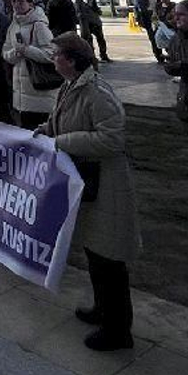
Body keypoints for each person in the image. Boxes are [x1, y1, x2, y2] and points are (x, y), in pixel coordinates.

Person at [38, 32, 138, 351]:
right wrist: (45, 131)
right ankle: (102, 309)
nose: (53, 59)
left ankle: (118, 328)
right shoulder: (70, 87)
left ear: (71, 59)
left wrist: (60, 142)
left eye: (57, 54)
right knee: (95, 251)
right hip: (86, 180)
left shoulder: (96, 92)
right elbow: (62, 122)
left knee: (109, 257)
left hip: (106, 183)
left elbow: (112, 139)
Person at [3, 0, 58, 130]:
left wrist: (27, 50)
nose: (17, 5)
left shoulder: (38, 25)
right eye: (13, 1)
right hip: (21, 91)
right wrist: (15, 54)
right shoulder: (13, 25)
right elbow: (6, 50)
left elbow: (51, 53)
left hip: (39, 90)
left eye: (21, 1)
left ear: (30, 3)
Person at [134, 0, 164, 64]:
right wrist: (138, 20)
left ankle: (162, 55)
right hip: (149, 21)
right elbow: (138, 11)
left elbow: (160, 7)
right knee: (153, 39)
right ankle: (159, 56)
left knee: (161, 37)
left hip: (158, 20)